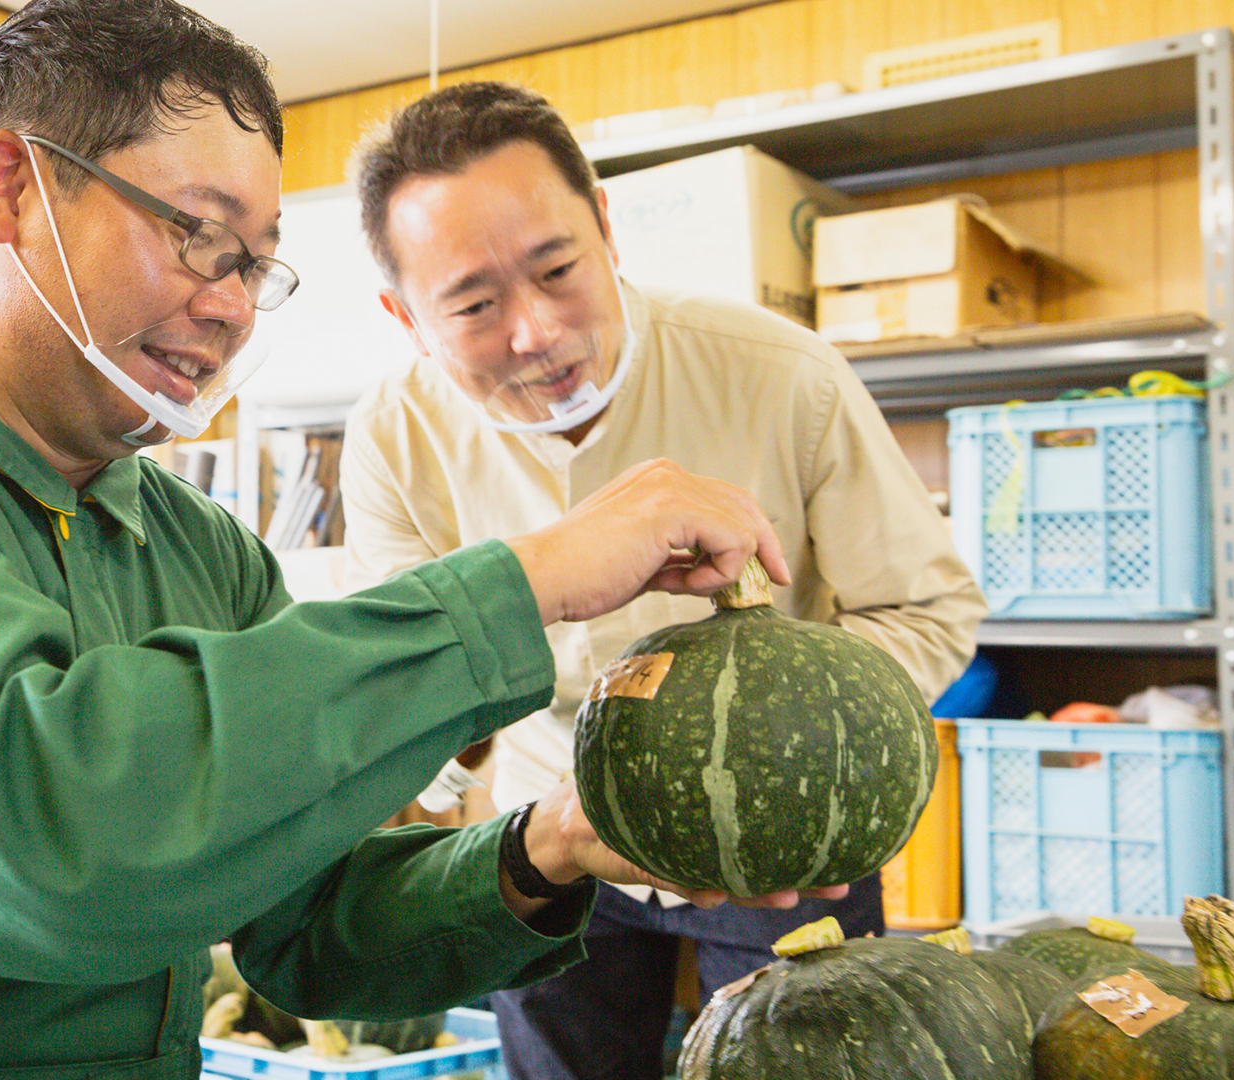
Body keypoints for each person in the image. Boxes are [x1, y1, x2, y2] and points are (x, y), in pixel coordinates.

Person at [0, 4, 843, 1078]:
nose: (233, 306)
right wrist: (515, 589)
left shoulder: (195, 546)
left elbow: (311, 920)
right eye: (197, 238)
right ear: (13, 189)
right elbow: (49, 843)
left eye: (257, 265)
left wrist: (550, 845)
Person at [341, 81, 989, 1079]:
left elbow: (932, 608)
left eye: (558, 269)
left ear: (604, 224)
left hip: (786, 830)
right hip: (550, 823)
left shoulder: (784, 374)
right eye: (473, 304)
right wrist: (439, 749)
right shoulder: (395, 433)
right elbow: (410, 675)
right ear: (404, 314)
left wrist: (783, 740)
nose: (535, 333)